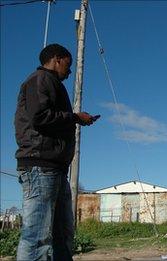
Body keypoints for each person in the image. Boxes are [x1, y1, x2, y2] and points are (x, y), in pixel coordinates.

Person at [14, 43, 98, 260]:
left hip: (55, 169)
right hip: (40, 165)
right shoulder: (39, 80)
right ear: (57, 59)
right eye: (68, 66)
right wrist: (75, 117)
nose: (69, 72)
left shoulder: (50, 83)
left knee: (62, 233)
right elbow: (39, 117)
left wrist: (75, 119)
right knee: (37, 235)